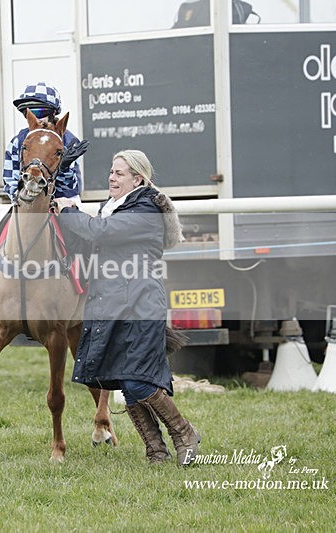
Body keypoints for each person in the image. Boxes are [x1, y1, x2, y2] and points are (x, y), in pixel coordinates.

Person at [53, 150, 199, 466]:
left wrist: (71, 212)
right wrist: (65, 215)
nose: (111, 177)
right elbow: (88, 243)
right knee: (125, 379)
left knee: (137, 380)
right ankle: (156, 450)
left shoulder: (146, 208)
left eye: (119, 173)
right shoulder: (111, 208)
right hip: (112, 306)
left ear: (138, 179)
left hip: (140, 305)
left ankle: (184, 432)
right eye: (111, 171)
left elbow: (100, 232)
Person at [0, 82, 89, 296]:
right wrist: (20, 196)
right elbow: (10, 179)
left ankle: (86, 277)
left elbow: (71, 186)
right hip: (28, 200)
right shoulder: (18, 141)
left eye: (39, 111)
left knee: (79, 229)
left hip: (64, 199)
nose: (35, 117)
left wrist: (64, 167)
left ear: (53, 112)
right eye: (28, 113)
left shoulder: (69, 140)